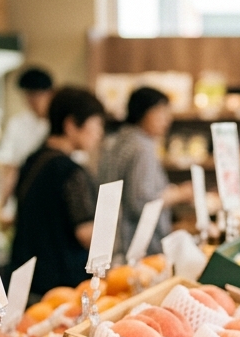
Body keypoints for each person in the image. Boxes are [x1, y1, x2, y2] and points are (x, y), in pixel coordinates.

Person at [10, 88, 105, 295]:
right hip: (63, 287)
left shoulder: (31, 160)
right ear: (71, 125)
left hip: (28, 282)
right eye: (96, 124)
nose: (100, 133)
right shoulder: (71, 172)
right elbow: (86, 233)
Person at [97, 86, 187, 258]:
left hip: (112, 241)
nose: (167, 120)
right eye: (161, 113)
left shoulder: (116, 140)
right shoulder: (141, 147)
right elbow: (141, 202)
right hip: (137, 246)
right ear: (144, 113)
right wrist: (178, 194)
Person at [0, 67, 53, 219]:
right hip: (25, 198)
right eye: (28, 95)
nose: (32, 101)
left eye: (36, 95)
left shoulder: (60, 124)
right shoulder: (18, 124)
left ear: (50, 93)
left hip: (54, 197)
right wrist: (3, 206)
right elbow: (10, 167)